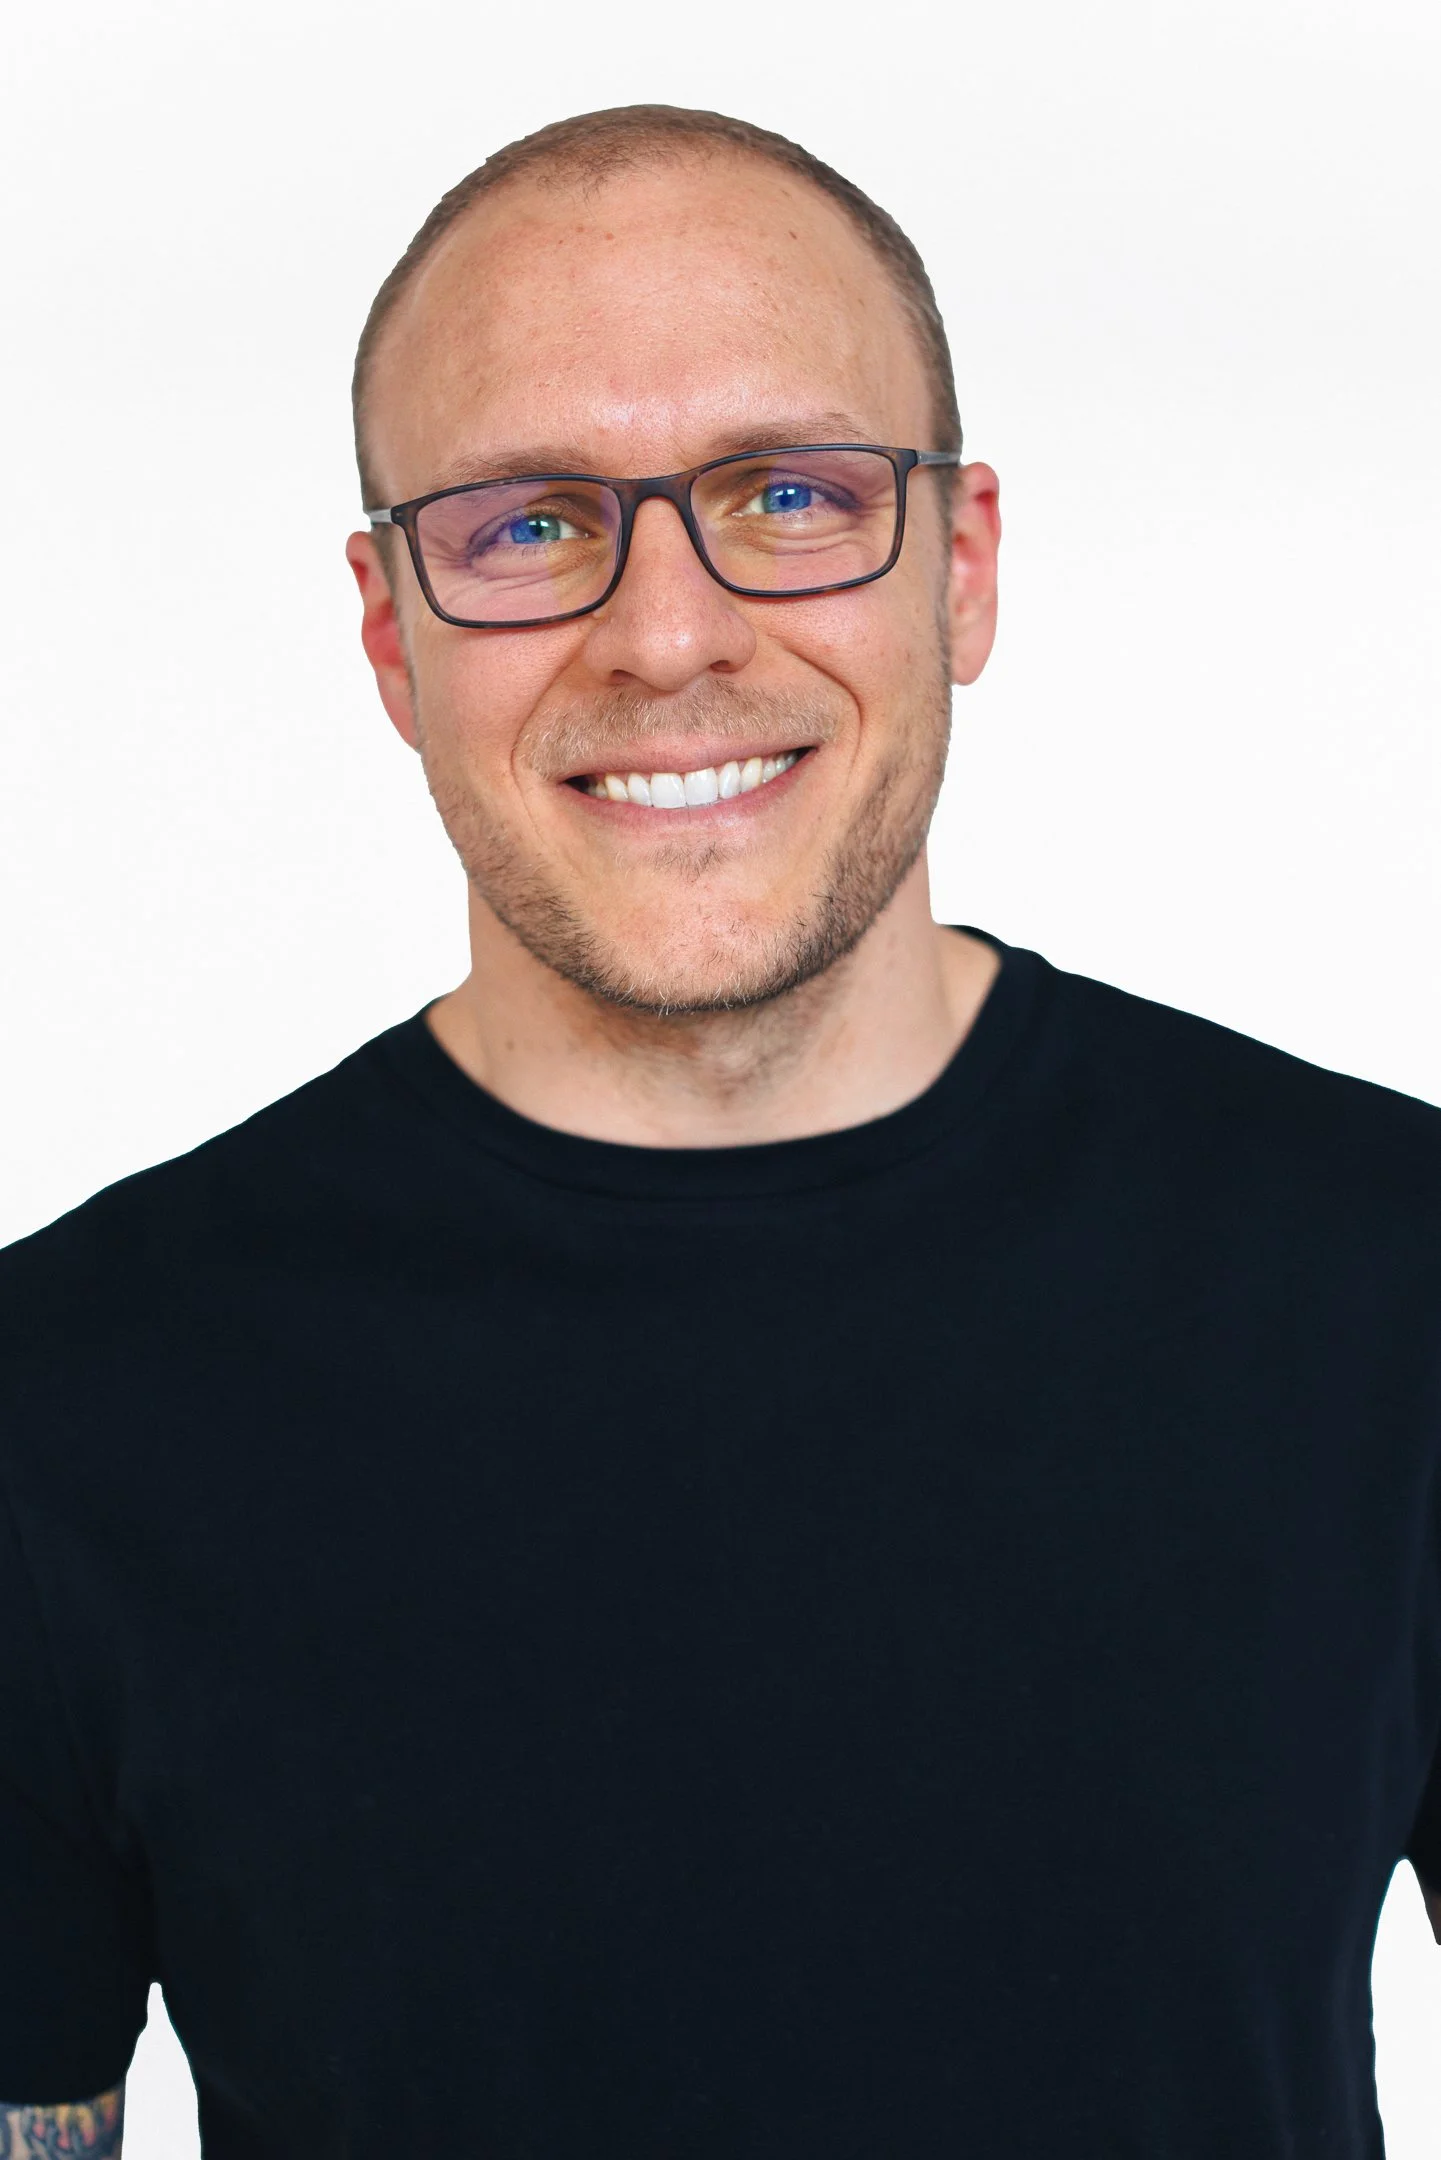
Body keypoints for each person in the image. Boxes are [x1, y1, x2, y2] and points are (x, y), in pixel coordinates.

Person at [1, 102, 1437, 2160]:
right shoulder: (60, 1408)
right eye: (526, 522)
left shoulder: (1390, 1283)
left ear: (967, 567)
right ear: (394, 632)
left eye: (787, 493)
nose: (668, 636)